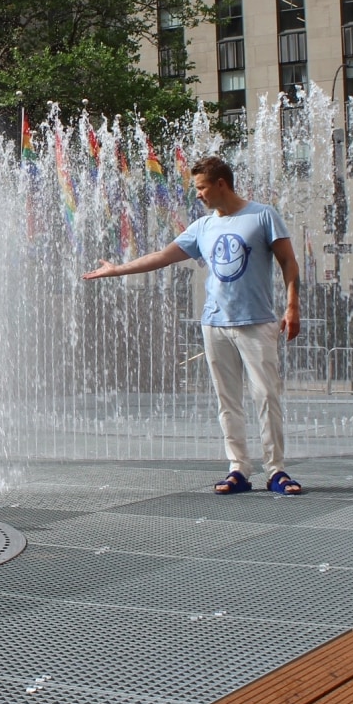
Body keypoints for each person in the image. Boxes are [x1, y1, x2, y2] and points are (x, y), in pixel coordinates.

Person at [83, 154, 303, 495]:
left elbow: (288, 261)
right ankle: (238, 469)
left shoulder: (262, 215)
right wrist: (117, 270)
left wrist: (292, 306)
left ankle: (276, 471)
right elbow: (163, 256)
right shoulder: (202, 227)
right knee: (227, 401)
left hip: (257, 322)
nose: (197, 194)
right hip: (214, 324)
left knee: (266, 396)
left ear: (221, 184)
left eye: (201, 187)